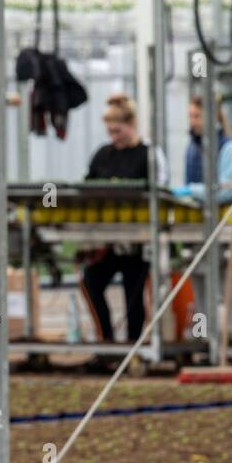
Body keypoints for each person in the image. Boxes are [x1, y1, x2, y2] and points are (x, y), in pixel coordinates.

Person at [78, 93, 167, 373]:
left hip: (139, 240)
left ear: (132, 125)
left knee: (134, 292)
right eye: (110, 131)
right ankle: (107, 346)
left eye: (118, 130)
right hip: (109, 241)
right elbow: (88, 188)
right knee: (91, 280)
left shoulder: (149, 155)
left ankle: (133, 350)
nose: (114, 136)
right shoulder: (103, 155)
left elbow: (161, 190)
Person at [177, 94, 232, 202]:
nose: (192, 122)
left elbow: (227, 190)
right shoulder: (192, 148)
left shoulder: (230, 148)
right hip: (196, 215)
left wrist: (192, 190)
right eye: (190, 116)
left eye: (197, 116)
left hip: (223, 216)